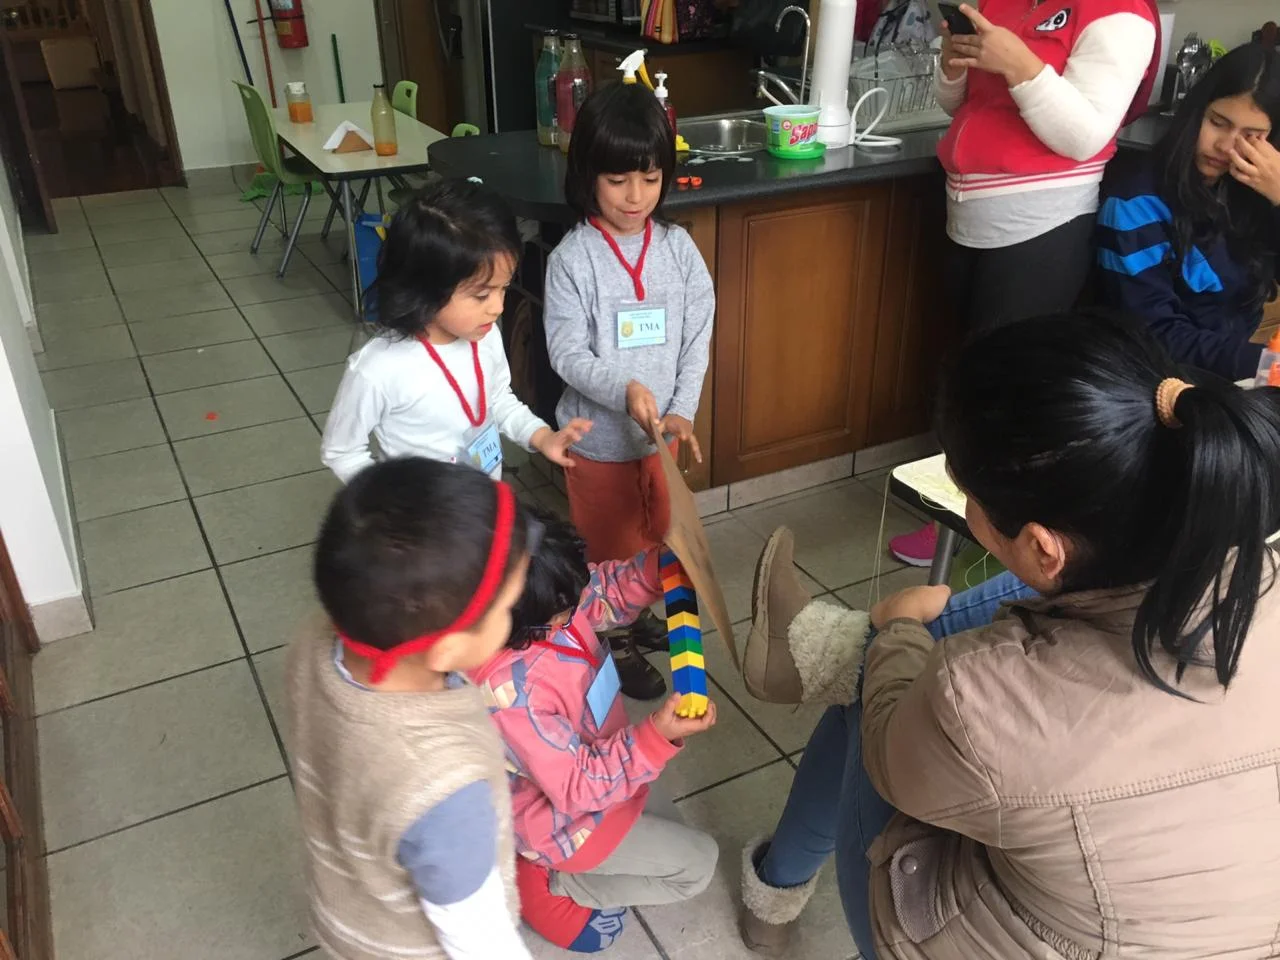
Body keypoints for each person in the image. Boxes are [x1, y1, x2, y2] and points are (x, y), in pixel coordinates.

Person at [736, 312, 1280, 959]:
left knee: (869, 692)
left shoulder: (977, 698)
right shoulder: (1253, 565)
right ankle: (822, 654)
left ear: (1044, 547)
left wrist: (899, 630)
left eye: (965, 490)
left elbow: (894, 748)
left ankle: (821, 663)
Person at [890, 0, 1161, 567]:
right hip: (969, 217)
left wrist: (1020, 65)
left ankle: (990, 530)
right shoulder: (1004, 3)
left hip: (1042, 222)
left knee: (1006, 394)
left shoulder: (1118, 13)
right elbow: (960, 105)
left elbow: (1084, 134)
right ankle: (968, 516)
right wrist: (954, 64)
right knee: (973, 380)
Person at [286, 457, 539, 959]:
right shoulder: (445, 791)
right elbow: (481, 941)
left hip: (351, 906)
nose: (511, 616)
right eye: (507, 608)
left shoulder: (319, 637)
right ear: (446, 650)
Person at [471, 506, 720, 952]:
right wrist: (655, 738)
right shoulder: (513, 695)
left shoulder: (545, 601)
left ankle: (574, 860)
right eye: (563, 612)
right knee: (698, 866)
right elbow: (577, 787)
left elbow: (599, 593)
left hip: (601, 760)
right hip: (565, 820)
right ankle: (559, 882)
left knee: (666, 822)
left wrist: (654, 569)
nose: (577, 611)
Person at [544, 83, 715, 701]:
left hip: (658, 446)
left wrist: (682, 409)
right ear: (588, 175)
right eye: (618, 180)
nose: (636, 196)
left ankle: (636, 616)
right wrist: (626, 388)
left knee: (656, 539)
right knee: (606, 550)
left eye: (650, 178)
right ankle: (610, 639)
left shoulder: (679, 249)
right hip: (599, 448)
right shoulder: (573, 260)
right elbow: (566, 353)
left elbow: (697, 334)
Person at [320, 179, 591, 484]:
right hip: (421, 514)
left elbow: (497, 399)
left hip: (482, 502)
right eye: (481, 295)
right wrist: (393, 503)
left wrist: (542, 437)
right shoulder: (378, 369)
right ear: (424, 287)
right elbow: (341, 453)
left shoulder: (484, 335)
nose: (498, 307)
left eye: (504, 288)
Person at [1097, 43, 1280, 380]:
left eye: (1251, 136)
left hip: (1225, 371)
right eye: (1218, 123)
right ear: (1196, 112)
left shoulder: (1249, 190)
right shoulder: (1136, 202)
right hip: (1154, 379)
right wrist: (1268, 365)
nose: (1226, 147)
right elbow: (1156, 335)